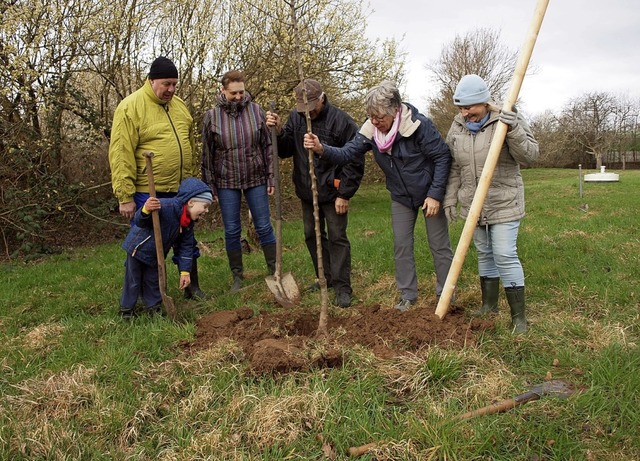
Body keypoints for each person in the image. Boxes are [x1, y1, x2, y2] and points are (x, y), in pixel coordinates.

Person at [303, 80, 453, 311]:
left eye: (379, 117)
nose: (374, 122)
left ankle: (446, 294)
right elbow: (347, 153)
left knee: (439, 245)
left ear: (395, 111)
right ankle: (407, 295)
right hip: (401, 195)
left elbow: (442, 157)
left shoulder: (418, 126)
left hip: (428, 193)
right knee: (402, 245)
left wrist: (434, 194)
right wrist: (322, 149)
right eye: (371, 116)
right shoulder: (371, 130)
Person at [443, 74, 539, 334]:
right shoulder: (457, 126)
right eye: (461, 108)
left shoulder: (507, 119)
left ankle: (519, 317)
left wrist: (515, 129)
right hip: (473, 203)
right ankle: (489, 306)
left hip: (503, 200)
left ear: (484, 103)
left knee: (505, 253)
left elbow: (530, 156)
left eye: (470, 107)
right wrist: (450, 197)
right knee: (484, 253)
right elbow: (453, 166)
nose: (465, 113)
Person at [108, 56, 207, 300]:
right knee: (147, 245)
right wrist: (125, 196)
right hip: (148, 190)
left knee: (186, 238)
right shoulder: (130, 107)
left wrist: (191, 183)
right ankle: (144, 295)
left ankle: (191, 286)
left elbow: (189, 145)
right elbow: (121, 154)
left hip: (181, 190)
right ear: (152, 81)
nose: (171, 89)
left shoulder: (179, 106)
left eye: (175, 84)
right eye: (166, 84)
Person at [266, 79, 364, 308]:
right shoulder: (296, 117)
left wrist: (345, 193)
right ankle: (326, 277)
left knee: (338, 237)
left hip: (333, 191)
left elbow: (354, 160)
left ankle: (342, 287)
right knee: (311, 234)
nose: (307, 112)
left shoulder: (342, 121)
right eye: (303, 108)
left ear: (322, 98)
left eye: (311, 106)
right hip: (306, 190)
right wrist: (278, 131)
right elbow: (286, 150)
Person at [201, 70, 276, 292]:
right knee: (232, 229)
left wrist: (271, 176)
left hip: (256, 177)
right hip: (226, 181)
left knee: (264, 225)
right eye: (233, 93)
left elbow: (268, 146)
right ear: (223, 91)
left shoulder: (257, 111)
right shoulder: (212, 116)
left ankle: (274, 270)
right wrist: (209, 185)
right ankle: (237, 276)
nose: (238, 96)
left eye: (241, 92)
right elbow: (207, 153)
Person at [119, 177, 213, 319]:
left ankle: (154, 308)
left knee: (154, 280)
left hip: (156, 253)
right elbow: (139, 221)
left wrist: (185, 271)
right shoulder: (165, 206)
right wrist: (145, 210)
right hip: (137, 248)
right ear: (191, 202)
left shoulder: (187, 223)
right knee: (133, 280)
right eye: (205, 206)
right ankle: (126, 310)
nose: (206, 211)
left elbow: (186, 247)